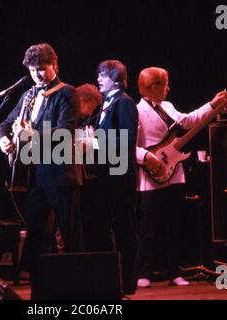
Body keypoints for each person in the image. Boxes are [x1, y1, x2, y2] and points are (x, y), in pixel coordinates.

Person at [0, 43, 83, 295]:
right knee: (36, 234)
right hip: (36, 173)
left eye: (42, 69)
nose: (37, 75)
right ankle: (41, 292)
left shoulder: (66, 93)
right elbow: (6, 122)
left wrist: (31, 134)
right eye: (33, 70)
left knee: (70, 234)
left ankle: (77, 289)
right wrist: (4, 140)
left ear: (54, 66)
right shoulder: (28, 95)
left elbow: (65, 131)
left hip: (60, 173)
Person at [135, 67, 227, 287]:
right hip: (152, 175)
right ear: (153, 87)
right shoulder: (137, 111)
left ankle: (174, 271)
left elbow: (188, 121)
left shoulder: (167, 106)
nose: (168, 87)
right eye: (165, 84)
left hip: (174, 172)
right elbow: (131, 145)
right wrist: (148, 157)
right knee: (148, 227)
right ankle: (143, 271)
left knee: (174, 224)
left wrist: (212, 104)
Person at [83, 60, 139, 295]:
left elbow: (126, 141)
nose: (98, 79)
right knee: (105, 228)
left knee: (125, 230)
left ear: (116, 78)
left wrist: (94, 141)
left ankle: (126, 283)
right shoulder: (107, 104)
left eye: (102, 75)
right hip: (107, 176)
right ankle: (110, 281)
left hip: (121, 176)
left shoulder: (124, 103)